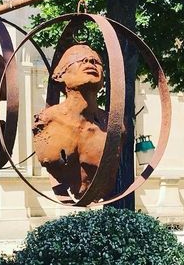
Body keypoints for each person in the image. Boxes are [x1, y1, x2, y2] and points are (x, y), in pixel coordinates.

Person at [32, 44, 124, 201]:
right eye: (79, 59)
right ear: (59, 75)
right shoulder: (45, 122)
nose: (90, 61)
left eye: (96, 61)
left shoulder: (114, 128)